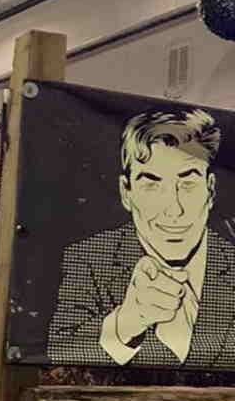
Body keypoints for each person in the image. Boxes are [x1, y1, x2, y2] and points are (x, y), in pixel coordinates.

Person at [48, 108, 235, 368]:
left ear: (211, 190)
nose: (173, 208)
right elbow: (55, 353)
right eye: (151, 183)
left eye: (187, 183)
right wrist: (126, 321)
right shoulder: (90, 259)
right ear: (127, 192)